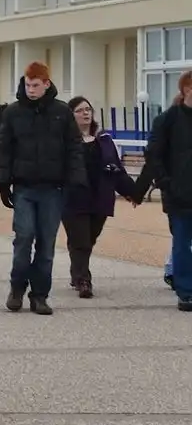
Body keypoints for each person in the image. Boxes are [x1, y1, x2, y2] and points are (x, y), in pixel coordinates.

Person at [0, 62, 86, 315]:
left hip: (53, 188)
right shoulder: (13, 112)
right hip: (24, 187)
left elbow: (74, 147)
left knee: (46, 245)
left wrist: (76, 180)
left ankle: (40, 295)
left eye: (36, 85)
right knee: (24, 237)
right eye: (28, 85)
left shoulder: (62, 112)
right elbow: (5, 149)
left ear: (46, 84)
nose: (31, 90)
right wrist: (2, 182)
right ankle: (17, 288)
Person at [61, 96, 138, 298]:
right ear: (71, 115)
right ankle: (84, 280)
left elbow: (116, 170)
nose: (85, 113)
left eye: (88, 109)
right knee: (81, 241)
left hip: (100, 197)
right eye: (80, 110)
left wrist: (132, 192)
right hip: (73, 198)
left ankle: (76, 271)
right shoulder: (65, 140)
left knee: (89, 238)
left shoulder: (104, 139)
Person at [133, 70, 192, 311]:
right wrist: (166, 183)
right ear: (187, 89)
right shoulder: (167, 120)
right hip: (179, 194)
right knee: (182, 243)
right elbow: (154, 156)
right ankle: (186, 292)